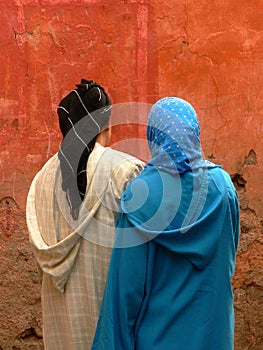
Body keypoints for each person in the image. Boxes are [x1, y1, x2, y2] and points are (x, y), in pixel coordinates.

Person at [92, 97, 240, 350]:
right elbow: (228, 256)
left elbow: (126, 289)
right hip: (214, 337)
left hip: (157, 339)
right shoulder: (224, 188)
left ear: (153, 136)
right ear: (194, 132)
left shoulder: (142, 195)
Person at [26, 79, 144, 349]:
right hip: (111, 328)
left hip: (61, 331)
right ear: (107, 125)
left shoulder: (41, 179)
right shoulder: (126, 171)